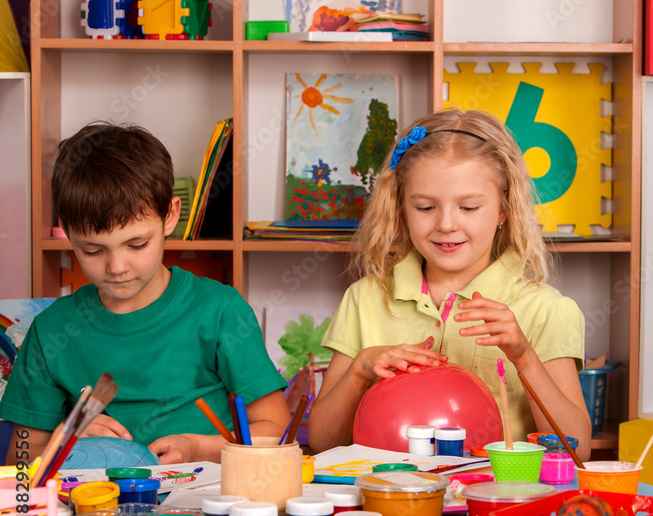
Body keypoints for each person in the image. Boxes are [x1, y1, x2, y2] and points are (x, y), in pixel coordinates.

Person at [309, 108, 592, 459]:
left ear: (504, 208)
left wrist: (525, 358)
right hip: (388, 491)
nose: (446, 224)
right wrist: (359, 371)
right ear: (401, 209)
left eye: (468, 207)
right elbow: (322, 442)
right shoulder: (365, 299)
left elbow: (577, 450)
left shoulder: (546, 309)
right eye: (425, 207)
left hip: (497, 492)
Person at [1, 122, 289, 465]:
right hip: (95, 497)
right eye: (92, 250)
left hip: (204, 492)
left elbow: (276, 430)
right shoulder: (50, 330)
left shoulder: (220, 312)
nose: (116, 267)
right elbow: (19, 462)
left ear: (170, 216)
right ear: (67, 231)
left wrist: (198, 448)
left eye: (136, 244)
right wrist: (65, 438)